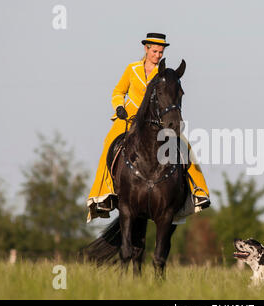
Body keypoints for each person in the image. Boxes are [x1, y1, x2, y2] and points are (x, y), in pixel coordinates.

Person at [86, 33, 210, 223]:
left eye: (161, 52)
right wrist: (119, 106)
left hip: (156, 120)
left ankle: (198, 190)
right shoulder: (132, 69)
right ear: (146, 49)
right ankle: (104, 194)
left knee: (183, 144)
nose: (158, 55)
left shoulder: (163, 74)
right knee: (109, 143)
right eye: (155, 51)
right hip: (128, 118)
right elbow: (118, 91)